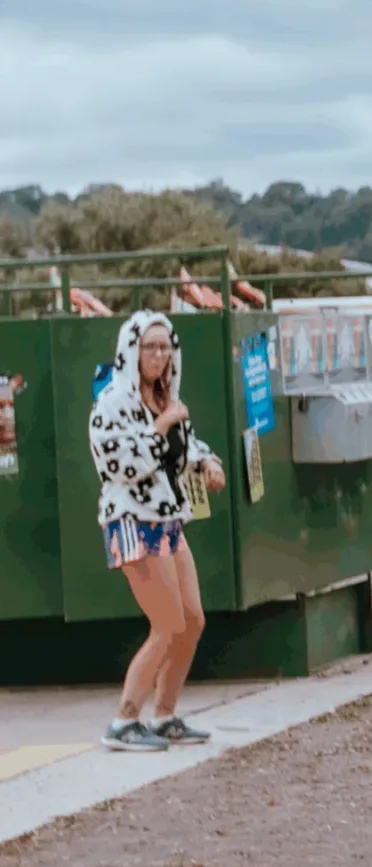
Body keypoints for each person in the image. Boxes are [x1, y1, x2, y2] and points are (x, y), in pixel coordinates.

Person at [89, 310, 223, 752]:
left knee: (193, 620)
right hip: (130, 520)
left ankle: (164, 716)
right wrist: (161, 426)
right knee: (166, 623)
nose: (158, 355)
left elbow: (184, 448)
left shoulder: (167, 397)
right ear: (131, 350)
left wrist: (206, 460)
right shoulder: (111, 402)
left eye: (165, 347)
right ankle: (125, 721)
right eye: (150, 347)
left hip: (168, 519)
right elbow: (120, 465)